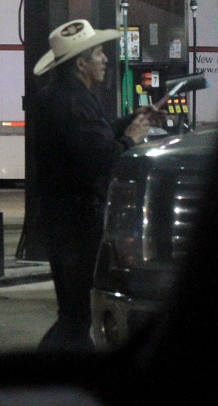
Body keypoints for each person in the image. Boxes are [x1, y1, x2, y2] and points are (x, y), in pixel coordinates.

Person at [31, 19, 153, 351]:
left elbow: (89, 141)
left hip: (60, 221)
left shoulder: (58, 97)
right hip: (77, 223)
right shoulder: (76, 102)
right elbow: (102, 161)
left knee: (72, 314)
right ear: (80, 63)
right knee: (76, 317)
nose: (105, 60)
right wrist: (131, 139)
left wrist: (127, 122)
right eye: (98, 53)